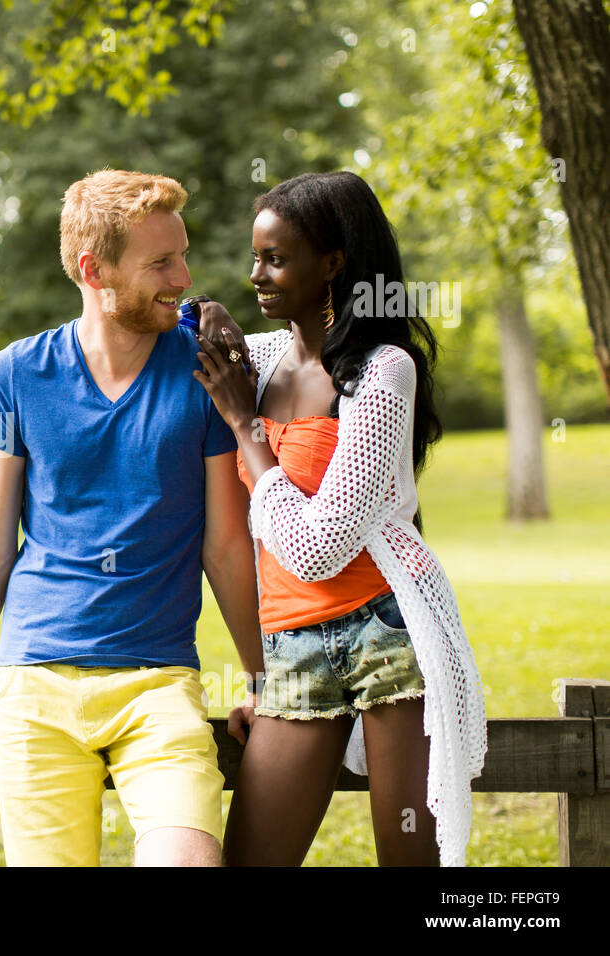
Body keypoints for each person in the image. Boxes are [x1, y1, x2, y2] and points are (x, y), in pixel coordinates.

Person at [0, 168, 266, 866]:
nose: (185, 274)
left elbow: (227, 547)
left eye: (183, 253)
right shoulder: (15, 375)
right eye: (161, 262)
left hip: (158, 685)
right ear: (94, 269)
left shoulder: (204, 372)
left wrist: (263, 679)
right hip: (35, 686)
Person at [192, 171, 488, 866]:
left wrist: (246, 427)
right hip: (293, 645)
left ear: (332, 264)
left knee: (409, 859)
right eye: (254, 257)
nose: (256, 274)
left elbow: (319, 546)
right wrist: (200, 313)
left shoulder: (382, 372)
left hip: (388, 634)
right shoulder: (258, 363)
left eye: (275, 258)